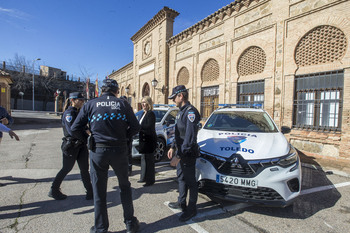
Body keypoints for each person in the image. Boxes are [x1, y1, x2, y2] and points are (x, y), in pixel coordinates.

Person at [71, 79, 140, 233]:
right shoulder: (123, 104)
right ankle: (130, 224)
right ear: (116, 91)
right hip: (120, 150)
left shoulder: (91, 104)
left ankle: (101, 228)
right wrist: (125, 137)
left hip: (99, 151)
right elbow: (136, 127)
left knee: (99, 190)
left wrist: (89, 139)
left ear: (102, 90)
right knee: (124, 187)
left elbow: (74, 128)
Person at [48, 92, 93, 200]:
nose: (82, 102)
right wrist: (86, 136)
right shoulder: (69, 113)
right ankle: (54, 190)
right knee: (66, 168)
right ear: (72, 100)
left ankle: (90, 191)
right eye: (80, 100)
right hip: (71, 145)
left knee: (84, 169)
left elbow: (82, 127)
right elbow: (72, 131)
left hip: (80, 145)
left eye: (83, 100)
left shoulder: (78, 112)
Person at [167, 85, 200, 222]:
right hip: (180, 151)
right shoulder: (181, 111)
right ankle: (181, 202)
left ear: (181, 96)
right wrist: (173, 148)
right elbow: (179, 133)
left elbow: (190, 138)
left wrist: (179, 156)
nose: (173, 100)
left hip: (188, 153)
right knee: (181, 178)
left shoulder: (191, 112)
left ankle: (191, 209)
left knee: (191, 181)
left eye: (174, 97)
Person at [137, 96, 157, 187]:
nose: (143, 104)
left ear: (148, 104)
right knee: (143, 159)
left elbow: (149, 126)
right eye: (142, 102)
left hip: (149, 141)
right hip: (143, 140)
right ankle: (143, 177)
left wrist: (138, 128)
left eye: (144, 102)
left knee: (149, 161)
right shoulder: (142, 114)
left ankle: (150, 180)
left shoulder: (150, 114)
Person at [120, 95, 133, 176]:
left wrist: (129, 133)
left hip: (127, 135)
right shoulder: (118, 110)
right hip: (121, 136)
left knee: (128, 153)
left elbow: (133, 124)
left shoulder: (128, 109)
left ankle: (129, 169)